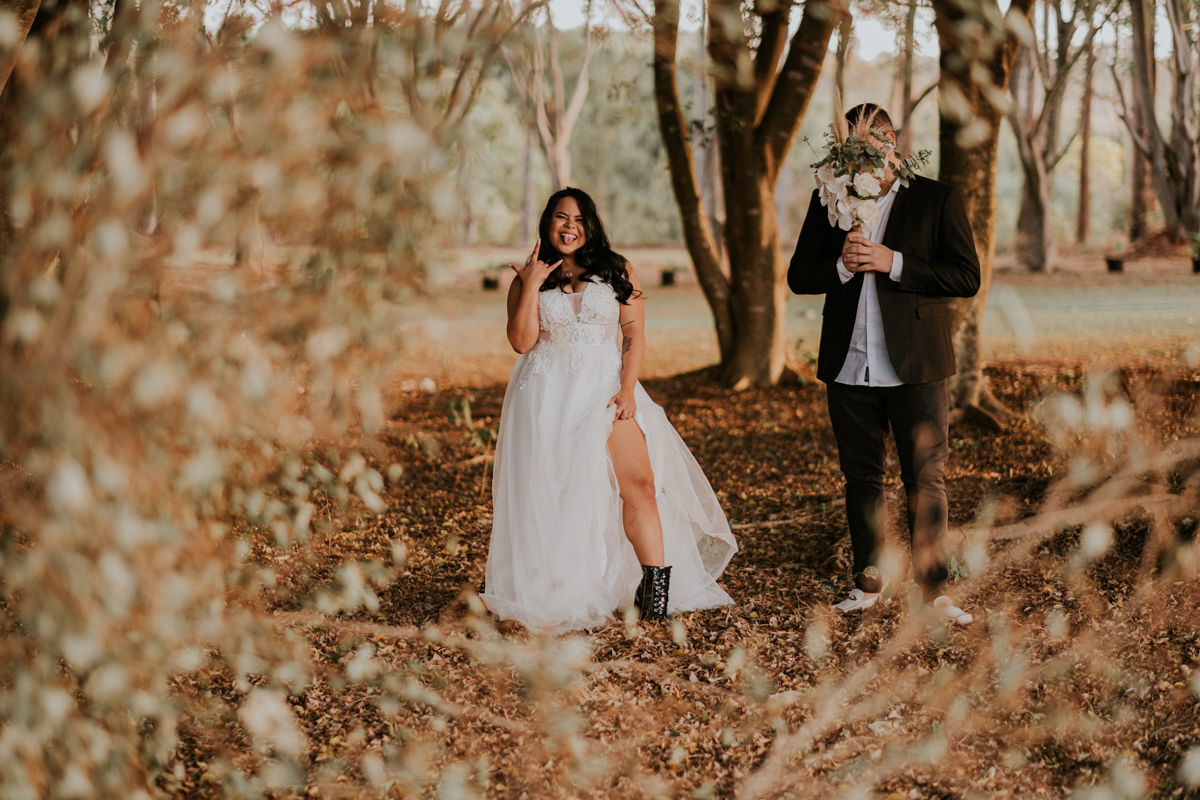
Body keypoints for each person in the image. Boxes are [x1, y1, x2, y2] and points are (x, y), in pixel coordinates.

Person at [481, 188, 737, 633]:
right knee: (556, 490)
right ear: (548, 224)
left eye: (578, 219)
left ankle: (655, 590)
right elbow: (521, 342)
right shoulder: (528, 279)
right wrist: (531, 284)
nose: (569, 226)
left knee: (639, 482)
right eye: (561, 218)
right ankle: (560, 583)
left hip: (606, 390)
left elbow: (634, 336)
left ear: (590, 225)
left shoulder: (618, 270)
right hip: (547, 397)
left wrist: (628, 390)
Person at [787, 103, 980, 624]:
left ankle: (934, 592)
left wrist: (892, 262)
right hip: (849, 367)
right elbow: (799, 275)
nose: (864, 151)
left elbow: (965, 277)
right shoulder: (827, 197)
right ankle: (868, 584)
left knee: (927, 478)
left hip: (916, 365)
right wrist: (841, 267)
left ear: (894, 143)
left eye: (875, 141)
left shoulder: (937, 199)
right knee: (861, 479)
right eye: (852, 143)